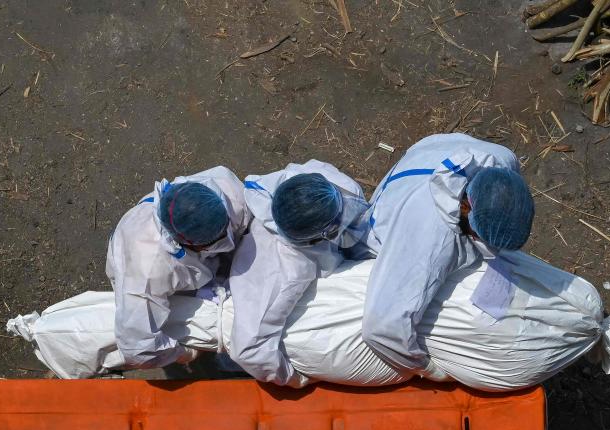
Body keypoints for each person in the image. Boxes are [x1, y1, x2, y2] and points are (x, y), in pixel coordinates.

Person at [361, 133, 535, 379]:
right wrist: (429, 371)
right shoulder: (430, 244)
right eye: (481, 237)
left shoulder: (502, 160)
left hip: (422, 159)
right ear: (465, 208)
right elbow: (379, 329)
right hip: (385, 216)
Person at [228, 160, 373, 387]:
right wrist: (294, 378)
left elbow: (353, 221)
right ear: (311, 238)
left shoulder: (318, 186)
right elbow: (248, 349)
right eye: (336, 227)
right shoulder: (285, 273)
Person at [106, 166, 251, 368]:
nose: (226, 239)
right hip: (145, 273)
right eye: (216, 240)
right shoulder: (147, 273)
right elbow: (138, 349)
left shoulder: (228, 190)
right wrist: (185, 352)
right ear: (190, 244)